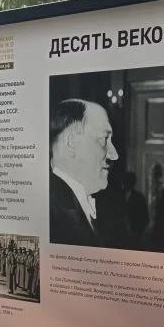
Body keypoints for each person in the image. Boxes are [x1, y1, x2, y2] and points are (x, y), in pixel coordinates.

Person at [49, 99, 119, 246]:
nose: (114, 154)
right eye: (104, 140)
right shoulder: (51, 211)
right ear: (71, 143)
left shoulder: (105, 204)